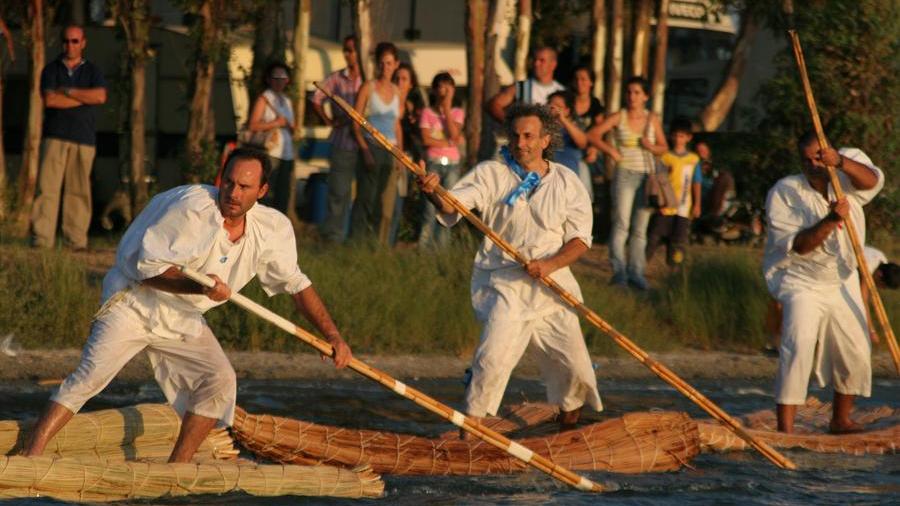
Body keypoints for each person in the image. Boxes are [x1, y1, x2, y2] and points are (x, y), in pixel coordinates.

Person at [23, 148, 353, 462]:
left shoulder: (272, 228)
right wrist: (199, 287)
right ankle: (31, 456)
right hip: (134, 302)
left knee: (219, 381)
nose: (233, 193)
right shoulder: (192, 209)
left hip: (183, 316)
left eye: (244, 187)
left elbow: (296, 284)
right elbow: (148, 271)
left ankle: (177, 469)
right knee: (89, 378)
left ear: (262, 191)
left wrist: (333, 336)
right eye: (229, 182)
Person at [416, 103, 602, 432]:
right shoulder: (492, 174)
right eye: (515, 136)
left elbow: (580, 240)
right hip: (506, 284)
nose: (521, 143)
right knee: (491, 359)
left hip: (553, 286)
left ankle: (568, 433)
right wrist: (433, 192)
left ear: (545, 140)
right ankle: (471, 433)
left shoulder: (567, 181)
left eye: (529, 136)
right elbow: (453, 204)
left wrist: (549, 264)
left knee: (575, 370)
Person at [763, 132, 883, 434]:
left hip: (842, 278)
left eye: (819, 156)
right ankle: (785, 429)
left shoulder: (846, 167)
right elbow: (800, 246)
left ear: (829, 150)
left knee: (856, 347)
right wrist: (831, 220)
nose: (814, 164)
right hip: (801, 279)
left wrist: (839, 162)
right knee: (798, 344)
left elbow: (872, 181)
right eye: (807, 160)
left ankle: (840, 420)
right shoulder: (784, 191)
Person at [31, 25, 107, 251]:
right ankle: (41, 239)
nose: (70, 45)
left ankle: (75, 241)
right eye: (66, 41)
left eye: (75, 41)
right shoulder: (51, 69)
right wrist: (84, 98)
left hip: (84, 138)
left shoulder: (93, 71)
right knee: (47, 189)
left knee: (79, 191)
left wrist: (69, 91)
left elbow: (100, 97)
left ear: (83, 43)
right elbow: (50, 100)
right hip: (55, 137)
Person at [588, 77, 667, 290]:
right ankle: (619, 273)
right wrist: (611, 151)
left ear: (646, 96)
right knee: (621, 224)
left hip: (647, 177)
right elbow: (593, 135)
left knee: (640, 228)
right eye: (629, 92)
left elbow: (664, 147)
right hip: (624, 174)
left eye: (637, 92)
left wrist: (651, 146)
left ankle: (637, 274)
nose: (632, 96)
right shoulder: (619, 116)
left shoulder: (652, 118)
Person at [312, 35, 363, 243]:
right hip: (342, 142)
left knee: (363, 195)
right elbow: (316, 99)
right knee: (338, 192)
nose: (349, 54)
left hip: (366, 145)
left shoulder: (368, 79)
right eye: (346, 50)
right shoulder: (336, 78)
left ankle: (357, 237)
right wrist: (328, 120)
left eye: (353, 49)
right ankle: (333, 237)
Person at [351, 42, 402, 244]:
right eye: (381, 63)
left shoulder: (397, 91)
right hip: (371, 146)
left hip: (391, 150)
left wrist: (401, 155)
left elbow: (397, 125)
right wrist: (365, 151)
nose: (385, 67)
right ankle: (357, 243)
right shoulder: (368, 87)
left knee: (386, 204)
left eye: (389, 63)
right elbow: (355, 122)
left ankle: (380, 246)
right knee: (365, 199)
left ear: (396, 64)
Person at [645, 119, 701, 268]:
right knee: (654, 236)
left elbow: (696, 182)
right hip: (666, 204)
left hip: (684, 207)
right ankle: (640, 265)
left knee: (678, 241)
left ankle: (675, 269)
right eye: (675, 135)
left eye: (681, 136)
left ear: (688, 138)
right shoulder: (665, 157)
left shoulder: (693, 159)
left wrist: (697, 204)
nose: (678, 139)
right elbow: (658, 181)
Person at [418, 72, 465, 247]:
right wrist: (448, 143)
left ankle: (442, 250)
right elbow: (426, 139)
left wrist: (446, 109)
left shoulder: (457, 112)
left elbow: (455, 134)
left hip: (453, 164)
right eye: (440, 87)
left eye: (448, 87)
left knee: (447, 208)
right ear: (435, 90)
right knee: (429, 209)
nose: (444, 91)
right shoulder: (427, 112)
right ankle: (424, 248)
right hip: (433, 162)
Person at [247, 62, 295, 214]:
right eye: (275, 78)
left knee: (283, 195)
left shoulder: (287, 101)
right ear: (268, 79)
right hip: (270, 151)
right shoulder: (264, 98)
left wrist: (290, 127)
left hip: (287, 153)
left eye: (283, 78)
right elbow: (252, 125)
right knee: (268, 194)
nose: (279, 81)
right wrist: (276, 123)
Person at [386, 62, 424, 244]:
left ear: (411, 83)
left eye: (404, 79)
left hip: (408, 157)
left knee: (399, 201)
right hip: (388, 154)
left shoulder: (415, 108)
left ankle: (393, 240)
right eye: (397, 79)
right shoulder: (387, 102)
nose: (400, 82)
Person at [487, 47, 565, 122]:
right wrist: (511, 124)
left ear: (553, 64)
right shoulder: (522, 87)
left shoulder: (562, 91)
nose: (536, 64)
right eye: (535, 60)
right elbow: (494, 105)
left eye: (542, 60)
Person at [547, 90, 590, 195]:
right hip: (547, 179)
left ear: (567, 110)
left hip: (569, 180)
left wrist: (562, 119)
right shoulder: (542, 127)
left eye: (558, 106)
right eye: (550, 104)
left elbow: (583, 143)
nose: (552, 108)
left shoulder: (575, 126)